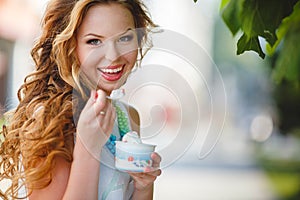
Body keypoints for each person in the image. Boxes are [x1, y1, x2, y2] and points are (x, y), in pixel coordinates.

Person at [0, 0, 162, 199]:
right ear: (69, 46)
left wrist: (143, 187)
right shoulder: (49, 120)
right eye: (94, 41)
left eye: (125, 38)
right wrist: (87, 148)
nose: (113, 56)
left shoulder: (127, 117)